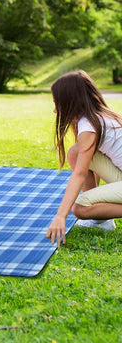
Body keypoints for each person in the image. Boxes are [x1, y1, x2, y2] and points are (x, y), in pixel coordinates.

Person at [46, 70, 122, 246]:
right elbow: (84, 162)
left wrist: (60, 216)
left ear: (70, 101)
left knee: (80, 208)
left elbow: (79, 174)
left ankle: (95, 214)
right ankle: (101, 221)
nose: (55, 109)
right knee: (75, 152)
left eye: (57, 103)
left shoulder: (89, 125)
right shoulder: (97, 117)